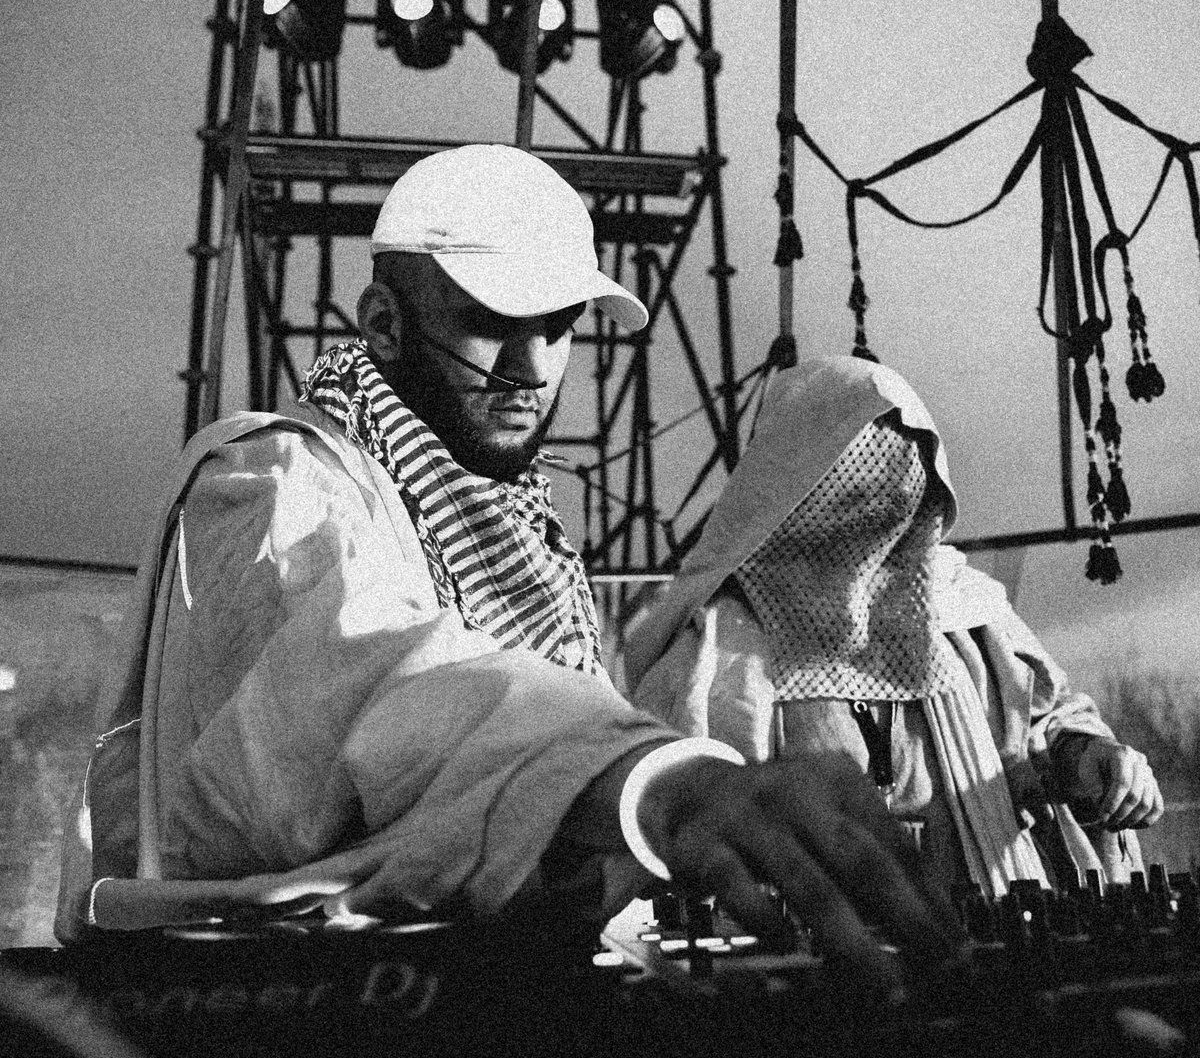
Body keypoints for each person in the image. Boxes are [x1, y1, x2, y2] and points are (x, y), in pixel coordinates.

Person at [56, 146, 960, 997]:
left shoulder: (525, 531)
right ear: (384, 323)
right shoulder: (272, 483)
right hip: (294, 1003)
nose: (530, 370)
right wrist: (660, 785)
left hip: (478, 989)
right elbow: (378, 688)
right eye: (489, 325)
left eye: (558, 329)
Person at [624, 356, 1163, 899]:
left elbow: (1044, 731)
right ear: (790, 494)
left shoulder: (968, 615)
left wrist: (1091, 761)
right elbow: (672, 822)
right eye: (852, 493)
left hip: (993, 915)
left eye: (897, 491)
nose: (875, 518)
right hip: (816, 935)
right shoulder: (713, 658)